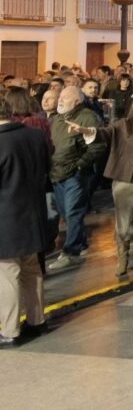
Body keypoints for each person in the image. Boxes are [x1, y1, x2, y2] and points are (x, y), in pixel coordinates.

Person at [72, 91, 133, 278]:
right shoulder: (122, 125)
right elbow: (104, 133)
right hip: (124, 180)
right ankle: (123, 259)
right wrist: (86, 130)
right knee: (124, 221)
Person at [0, 95, 51, 348]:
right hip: (34, 215)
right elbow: (47, 169)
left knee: (7, 275)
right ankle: (37, 320)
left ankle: (10, 330)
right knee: (32, 271)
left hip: (6, 220)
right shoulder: (35, 136)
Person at [47, 86, 105, 271]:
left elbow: (98, 145)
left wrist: (80, 164)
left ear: (77, 101)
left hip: (77, 174)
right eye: (60, 96)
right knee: (66, 213)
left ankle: (71, 252)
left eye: (65, 97)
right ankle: (80, 242)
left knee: (73, 212)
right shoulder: (57, 119)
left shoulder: (88, 117)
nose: (60, 99)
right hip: (57, 173)